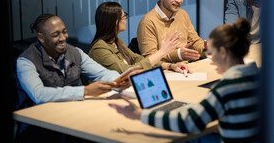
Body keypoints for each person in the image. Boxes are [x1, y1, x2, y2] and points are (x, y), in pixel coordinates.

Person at [109, 18, 260, 143]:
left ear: (223, 52)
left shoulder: (224, 89)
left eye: (211, 53)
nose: (211, 59)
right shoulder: (258, 77)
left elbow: (189, 123)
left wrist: (139, 115)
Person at [15, 14, 130, 142]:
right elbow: (39, 95)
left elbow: (103, 73)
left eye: (64, 32)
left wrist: (120, 80)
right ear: (41, 38)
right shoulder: (26, 61)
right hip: (38, 129)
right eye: (55, 35)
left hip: (70, 119)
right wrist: (85, 91)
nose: (62, 38)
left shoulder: (75, 52)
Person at [88, 2, 190, 74]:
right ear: (116, 22)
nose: (126, 20)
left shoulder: (116, 41)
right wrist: (161, 52)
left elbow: (137, 59)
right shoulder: (99, 49)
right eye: (124, 17)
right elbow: (126, 72)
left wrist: (170, 66)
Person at [137, 0, 206, 63]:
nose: (179, 0)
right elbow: (149, 60)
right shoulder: (148, 22)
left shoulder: (182, 14)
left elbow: (195, 41)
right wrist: (178, 55)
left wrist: (205, 50)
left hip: (185, 69)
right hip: (164, 72)